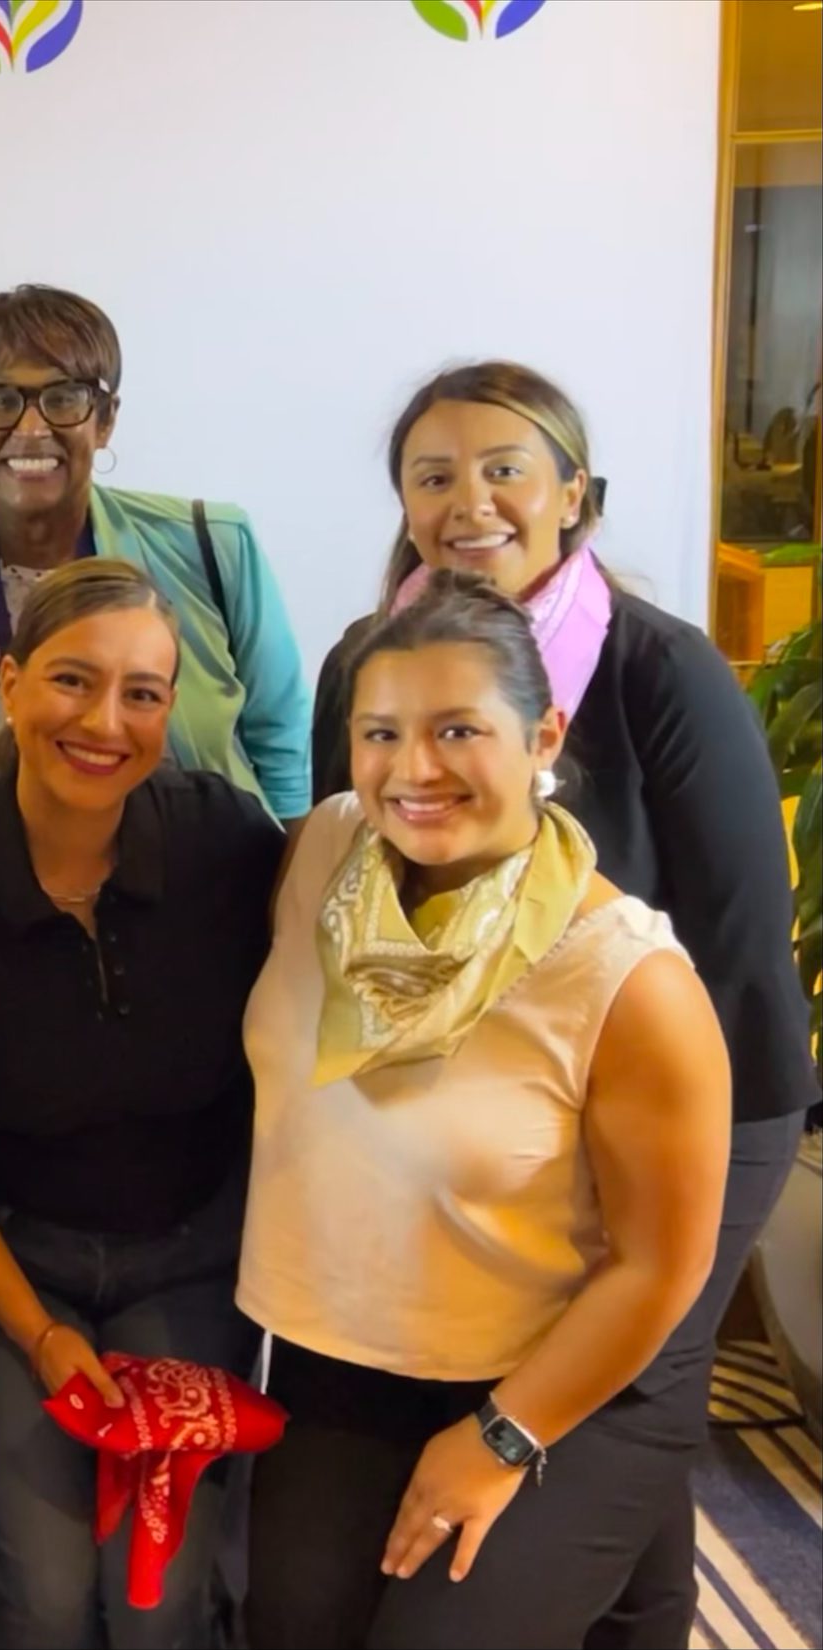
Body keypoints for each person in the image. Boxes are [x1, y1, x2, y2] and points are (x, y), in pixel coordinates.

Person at [307, 362, 818, 1645]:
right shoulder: (363, 671)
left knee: (610, 1401)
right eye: (433, 477)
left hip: (698, 1117)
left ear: (571, 494)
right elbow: (353, 884)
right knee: (591, 1447)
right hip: (500, 1136)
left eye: (503, 470)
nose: (467, 502)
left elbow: (748, 959)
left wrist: (712, 1199)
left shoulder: (663, 673)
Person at [241, 572, 731, 1647]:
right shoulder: (324, 853)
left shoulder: (627, 978)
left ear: (543, 731)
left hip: (557, 1383)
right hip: (346, 1362)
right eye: (380, 733)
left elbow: (660, 1267)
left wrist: (503, 1437)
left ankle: (628, 1564)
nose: (412, 770)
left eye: (457, 728)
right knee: (286, 1624)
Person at [0, 559, 280, 1649]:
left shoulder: (228, 846)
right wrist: (31, 1331)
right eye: (71, 681)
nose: (104, 722)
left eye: (143, 694)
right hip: (13, 1264)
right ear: (9, 681)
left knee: (155, 1602)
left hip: (190, 1254)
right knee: (48, 1594)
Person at [0, 285, 309, 815]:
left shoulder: (213, 544)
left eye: (64, 397)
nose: (31, 429)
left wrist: (286, 893)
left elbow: (284, 758)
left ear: (106, 419)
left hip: (215, 887)